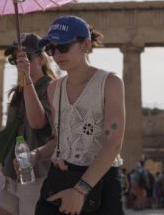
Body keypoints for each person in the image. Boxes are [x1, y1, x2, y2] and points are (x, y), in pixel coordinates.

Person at [31, 15, 126, 215]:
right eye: (51, 48)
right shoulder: (53, 89)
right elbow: (61, 139)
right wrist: (36, 155)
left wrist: (80, 190)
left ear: (85, 45)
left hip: (101, 182)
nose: (57, 54)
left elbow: (113, 143)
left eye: (63, 47)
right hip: (60, 178)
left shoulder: (110, 83)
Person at [0, 33, 56, 215]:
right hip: (7, 175)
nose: (20, 62)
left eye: (26, 56)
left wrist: (28, 79)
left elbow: (38, 124)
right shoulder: (18, 92)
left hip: (36, 178)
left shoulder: (51, 88)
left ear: (41, 58)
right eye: (16, 59)